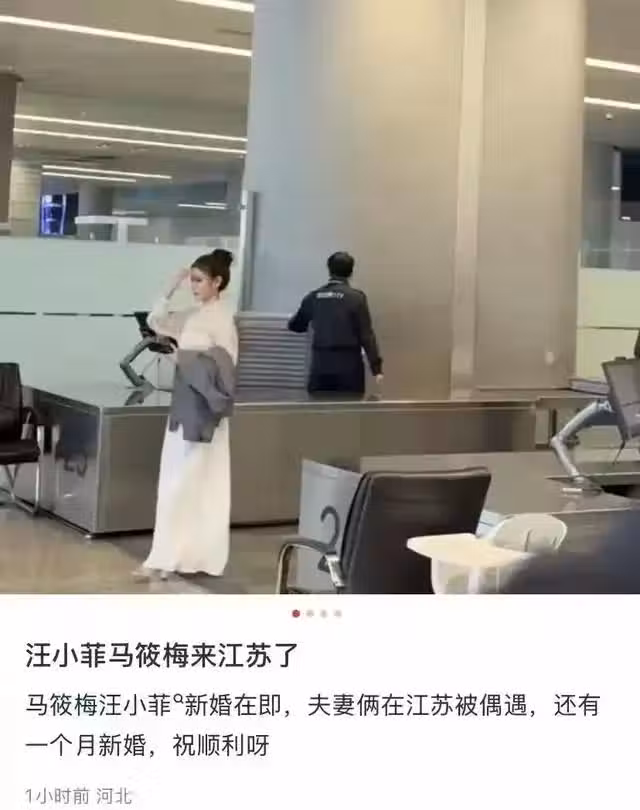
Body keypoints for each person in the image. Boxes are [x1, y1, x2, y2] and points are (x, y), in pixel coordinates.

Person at [136, 249, 238, 581]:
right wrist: (170, 286)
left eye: (198, 281)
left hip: (203, 413)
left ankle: (173, 557)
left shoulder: (221, 320)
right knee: (175, 482)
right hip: (184, 406)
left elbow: (224, 370)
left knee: (189, 486)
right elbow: (155, 322)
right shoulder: (193, 316)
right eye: (191, 280)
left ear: (217, 282)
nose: (193, 286)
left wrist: (184, 360)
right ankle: (169, 556)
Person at [288, 252, 383, 396]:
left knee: (319, 408)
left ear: (329, 270)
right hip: (349, 369)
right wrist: (376, 368)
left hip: (320, 368)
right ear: (351, 272)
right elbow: (366, 335)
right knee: (349, 408)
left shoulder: (313, 296)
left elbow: (296, 326)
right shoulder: (356, 298)